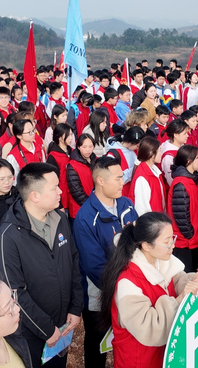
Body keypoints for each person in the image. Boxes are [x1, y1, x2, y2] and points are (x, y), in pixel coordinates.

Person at [0, 163, 82, 368]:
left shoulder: (59, 219)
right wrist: (47, 330)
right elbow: (14, 293)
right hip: (31, 333)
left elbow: (74, 262)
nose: (61, 191)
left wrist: (75, 308)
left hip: (63, 321)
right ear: (34, 196)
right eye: (55, 187)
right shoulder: (8, 237)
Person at [99, 212, 198, 368]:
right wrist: (178, 300)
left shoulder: (161, 260)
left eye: (172, 238)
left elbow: (177, 279)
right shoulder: (128, 283)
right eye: (167, 241)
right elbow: (149, 327)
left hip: (161, 356)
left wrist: (192, 281)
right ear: (146, 245)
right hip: (139, 360)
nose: (173, 245)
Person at [72, 157, 137, 368]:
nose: (122, 182)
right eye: (118, 178)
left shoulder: (126, 204)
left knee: (125, 335)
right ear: (100, 180)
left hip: (129, 285)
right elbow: (94, 267)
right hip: (99, 291)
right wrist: (121, 287)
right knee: (98, 339)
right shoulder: (86, 218)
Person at [167, 145, 198, 272]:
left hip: (189, 240)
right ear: (188, 161)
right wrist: (190, 234)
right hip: (183, 242)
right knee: (185, 277)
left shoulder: (190, 180)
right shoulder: (181, 183)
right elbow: (180, 215)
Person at [130, 136, 165, 215]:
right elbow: (142, 209)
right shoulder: (142, 177)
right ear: (151, 153)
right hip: (151, 223)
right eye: (159, 151)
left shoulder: (154, 171)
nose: (161, 154)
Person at [45, 123, 75, 211]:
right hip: (62, 200)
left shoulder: (73, 152)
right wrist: (60, 204)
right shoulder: (53, 157)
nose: (71, 138)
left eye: (71, 134)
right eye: (68, 135)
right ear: (59, 137)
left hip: (73, 199)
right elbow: (52, 182)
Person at [159, 119, 189, 187]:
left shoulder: (181, 146)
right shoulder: (169, 156)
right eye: (184, 133)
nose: (187, 136)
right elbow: (171, 181)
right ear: (175, 135)